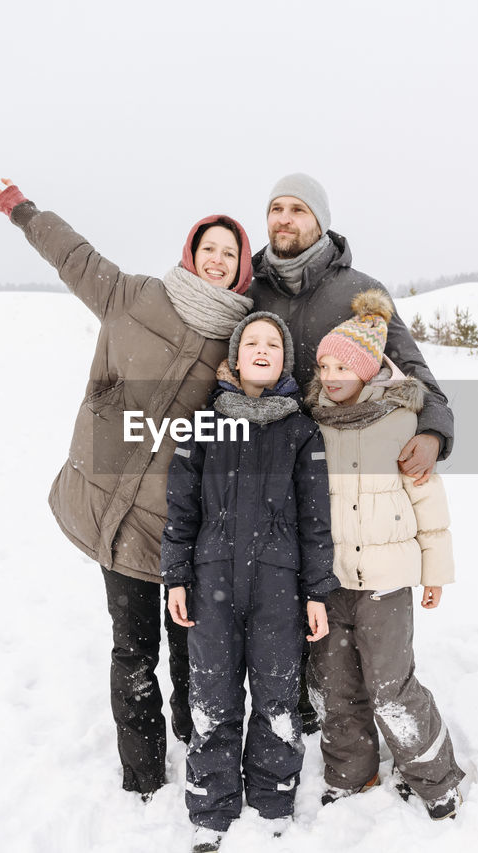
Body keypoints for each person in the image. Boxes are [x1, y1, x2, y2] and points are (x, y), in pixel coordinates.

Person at [0, 178, 256, 800]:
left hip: (184, 530)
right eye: (208, 247)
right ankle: (143, 773)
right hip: (117, 519)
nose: (217, 258)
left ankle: (195, 741)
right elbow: (74, 255)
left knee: (189, 651)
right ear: (191, 252)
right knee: (132, 651)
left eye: (229, 253)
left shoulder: (240, 339)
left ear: (241, 269)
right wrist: (21, 211)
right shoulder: (133, 297)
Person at [248, 172, 457, 732]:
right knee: (292, 609)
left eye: (297, 209)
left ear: (320, 220)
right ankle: (312, 720)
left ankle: (353, 721)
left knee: (344, 619)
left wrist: (433, 432)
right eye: (275, 209)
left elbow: (415, 375)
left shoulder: (358, 291)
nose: (284, 220)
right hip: (273, 480)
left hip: (347, 485)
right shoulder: (251, 292)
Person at [162, 311, 338, 852]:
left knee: (277, 694)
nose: (262, 350)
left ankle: (272, 798)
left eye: (274, 344)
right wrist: (175, 576)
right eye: (252, 342)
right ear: (235, 356)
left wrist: (316, 591)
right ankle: (211, 807)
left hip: (278, 588)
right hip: (211, 581)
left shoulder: (301, 430)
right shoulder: (203, 423)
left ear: (286, 359)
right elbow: (180, 507)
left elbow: (315, 518)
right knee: (212, 694)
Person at [304, 290, 466, 821]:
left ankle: (435, 779)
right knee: (335, 685)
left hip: (387, 582)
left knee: (391, 686)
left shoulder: (402, 422)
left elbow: (428, 502)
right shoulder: (312, 424)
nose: (330, 375)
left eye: (341, 366)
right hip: (329, 582)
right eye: (323, 365)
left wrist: (434, 571)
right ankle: (352, 773)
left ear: (369, 368)